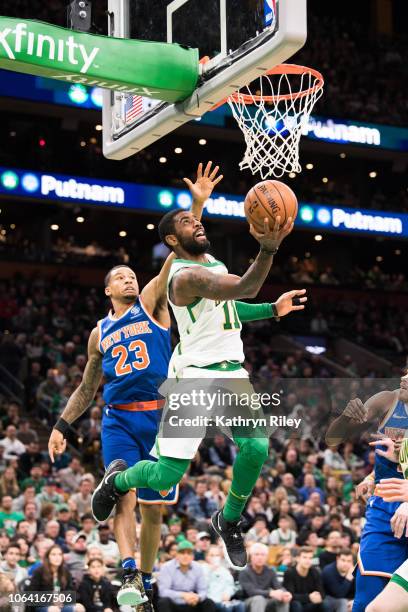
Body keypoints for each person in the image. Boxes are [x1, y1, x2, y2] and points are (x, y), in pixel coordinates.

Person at [48, 162, 223, 608]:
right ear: (108, 291)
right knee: (121, 495)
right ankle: (127, 572)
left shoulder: (151, 302)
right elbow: (86, 388)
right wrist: (61, 427)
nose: (129, 278)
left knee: (153, 510)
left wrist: (196, 205)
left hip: (161, 419)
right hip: (119, 421)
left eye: (131, 274)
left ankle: (143, 579)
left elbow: (176, 255)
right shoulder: (98, 333)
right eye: (120, 277)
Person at [93, 204, 306, 570]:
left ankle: (228, 519)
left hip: (231, 372)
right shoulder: (184, 277)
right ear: (173, 240)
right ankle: (119, 480)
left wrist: (273, 309)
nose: (198, 222)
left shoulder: (212, 263)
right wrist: (268, 248)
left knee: (256, 447)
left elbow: (228, 308)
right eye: (188, 222)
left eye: (197, 218)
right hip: (193, 373)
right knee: (164, 476)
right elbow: (246, 286)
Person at [325, 373, 408, 611]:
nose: (404, 376)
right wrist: (344, 417)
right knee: (368, 600)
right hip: (385, 507)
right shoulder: (388, 400)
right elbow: (333, 439)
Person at [157, 540, 216, 612]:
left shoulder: (198, 567)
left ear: (193, 556)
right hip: (174, 604)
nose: (185, 556)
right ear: (177, 555)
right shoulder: (167, 567)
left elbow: (203, 590)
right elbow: (163, 591)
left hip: (193, 603)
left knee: (209, 602)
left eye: (189, 553)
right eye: (182, 553)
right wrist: (183, 595)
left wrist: (197, 598)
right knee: (163, 602)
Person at [28, 544, 84, 612]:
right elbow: (31, 595)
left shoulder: (65, 571)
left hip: (61, 604)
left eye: (60, 554)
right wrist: (51, 599)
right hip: (43, 606)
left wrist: (63, 597)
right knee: (54, 610)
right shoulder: (39, 571)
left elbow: (73, 592)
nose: (57, 557)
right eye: (53, 554)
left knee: (80, 607)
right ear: (48, 557)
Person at [239, 543, 292, 612]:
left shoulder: (270, 571)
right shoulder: (244, 572)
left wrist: (284, 593)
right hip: (248, 601)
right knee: (259, 599)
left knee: (282, 598)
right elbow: (251, 591)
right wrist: (270, 593)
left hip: (267, 601)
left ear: (266, 557)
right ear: (251, 556)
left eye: (263, 555)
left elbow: (278, 586)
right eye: (257, 554)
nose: (260, 557)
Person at [283, 547, 330, 612]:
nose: (308, 561)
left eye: (310, 558)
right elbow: (290, 595)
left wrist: (319, 596)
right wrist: (308, 597)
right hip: (296, 604)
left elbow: (321, 592)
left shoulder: (315, 572)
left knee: (325, 604)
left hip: (310, 603)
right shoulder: (290, 572)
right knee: (296, 604)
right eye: (304, 557)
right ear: (298, 558)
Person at [203, 545, 245, 612]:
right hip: (209, 601)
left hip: (223, 600)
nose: (215, 558)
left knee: (240, 605)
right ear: (207, 557)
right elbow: (202, 587)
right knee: (226, 608)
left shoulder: (224, 571)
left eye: (217, 555)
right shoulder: (203, 569)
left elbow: (230, 585)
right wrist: (210, 571)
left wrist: (227, 593)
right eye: (212, 555)